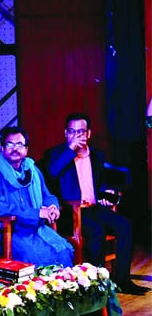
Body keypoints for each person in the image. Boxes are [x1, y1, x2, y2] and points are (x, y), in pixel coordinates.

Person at [41, 112, 147, 295]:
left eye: (80, 132)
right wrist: (70, 150)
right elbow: (51, 174)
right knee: (96, 230)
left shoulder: (96, 155)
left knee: (125, 225)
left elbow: (100, 184)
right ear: (66, 133)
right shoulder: (56, 154)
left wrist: (107, 194)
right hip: (70, 212)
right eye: (72, 132)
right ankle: (95, 285)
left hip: (94, 208)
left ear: (88, 134)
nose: (76, 136)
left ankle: (121, 279)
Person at [0, 126, 74, 267]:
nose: (15, 148)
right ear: (2, 148)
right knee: (34, 258)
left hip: (34, 228)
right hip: (7, 231)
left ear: (26, 150)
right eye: (10, 144)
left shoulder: (32, 170)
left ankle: (60, 288)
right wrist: (37, 213)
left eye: (19, 144)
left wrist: (52, 207)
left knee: (63, 252)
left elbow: (47, 195)